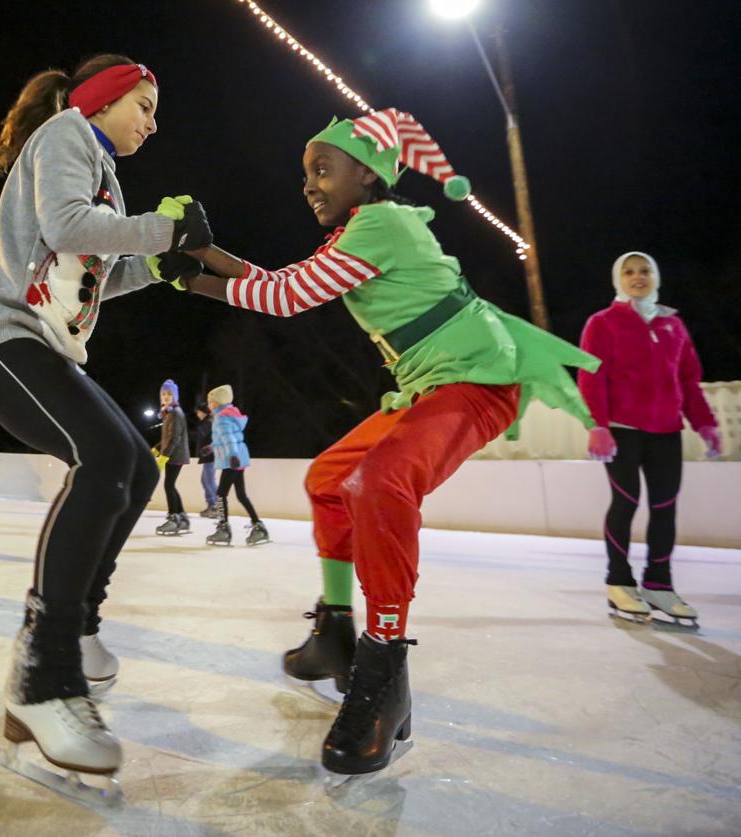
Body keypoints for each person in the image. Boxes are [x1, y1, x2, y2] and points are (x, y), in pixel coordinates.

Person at [152, 108, 600, 777]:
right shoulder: (356, 234)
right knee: (329, 479)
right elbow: (280, 284)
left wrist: (192, 272)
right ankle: (336, 631)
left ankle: (384, 666)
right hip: (433, 386)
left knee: (379, 482)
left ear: (368, 173)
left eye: (323, 169)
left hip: (476, 380)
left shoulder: (383, 224)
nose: (309, 184)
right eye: (306, 174)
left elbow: (284, 298)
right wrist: (201, 256)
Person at [0, 54, 209, 789]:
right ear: (103, 99)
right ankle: (44, 672)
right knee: (102, 457)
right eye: (145, 107)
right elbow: (68, 225)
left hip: (41, 341)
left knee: (132, 459)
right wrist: (162, 229)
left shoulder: (101, 167)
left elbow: (97, 267)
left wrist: (163, 264)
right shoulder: (67, 134)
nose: (153, 124)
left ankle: (80, 619)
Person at [578, 251, 721, 626]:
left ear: (656, 277)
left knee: (665, 507)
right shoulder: (603, 323)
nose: (637, 277)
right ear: (618, 279)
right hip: (623, 430)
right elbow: (591, 376)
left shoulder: (673, 325)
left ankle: (659, 584)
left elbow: (688, 381)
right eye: (629, 272)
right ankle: (619, 582)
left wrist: (705, 423)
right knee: (626, 502)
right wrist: (598, 424)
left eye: (645, 271)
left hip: (666, 430)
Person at [203, 385, 267, 547]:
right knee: (241, 495)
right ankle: (258, 526)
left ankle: (224, 529)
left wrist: (232, 456)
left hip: (231, 461)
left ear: (217, 403)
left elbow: (229, 439)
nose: (209, 405)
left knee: (220, 494)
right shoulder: (229, 416)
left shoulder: (221, 419)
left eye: (210, 402)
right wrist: (211, 447)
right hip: (238, 459)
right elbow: (225, 438)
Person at [154, 379, 191, 535]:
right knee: (171, 485)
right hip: (173, 454)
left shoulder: (175, 412)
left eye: (169, 394)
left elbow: (174, 437)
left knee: (168, 485)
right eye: (164, 394)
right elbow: (167, 437)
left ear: (175, 396)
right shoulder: (169, 412)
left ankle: (174, 518)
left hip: (175, 455)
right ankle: (182, 517)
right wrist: (156, 448)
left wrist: (164, 456)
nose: (166, 396)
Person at [194, 403, 218, 518]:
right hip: (207, 455)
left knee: (209, 481)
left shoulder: (207, 423)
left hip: (210, 455)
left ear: (203, 412)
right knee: (205, 480)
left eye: (198, 412)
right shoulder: (206, 423)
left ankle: (217, 506)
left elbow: (202, 436)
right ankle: (211, 504)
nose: (197, 414)